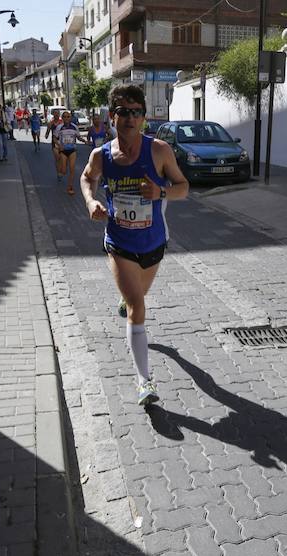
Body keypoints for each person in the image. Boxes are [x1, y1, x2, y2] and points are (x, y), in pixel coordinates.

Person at [79, 85, 189, 405]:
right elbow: (87, 178)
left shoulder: (159, 151)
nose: (129, 118)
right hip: (119, 242)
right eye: (123, 112)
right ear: (112, 117)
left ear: (143, 117)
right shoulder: (101, 156)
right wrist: (90, 202)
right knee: (137, 307)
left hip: (153, 242)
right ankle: (144, 381)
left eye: (136, 112)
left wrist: (161, 192)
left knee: (138, 296)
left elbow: (183, 187)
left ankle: (127, 299)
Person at [53, 111, 85, 194]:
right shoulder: (59, 127)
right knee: (64, 171)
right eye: (65, 117)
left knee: (72, 169)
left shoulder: (74, 127)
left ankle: (70, 187)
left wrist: (85, 141)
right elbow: (54, 138)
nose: (66, 118)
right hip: (63, 151)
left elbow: (78, 137)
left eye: (68, 117)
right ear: (62, 118)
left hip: (72, 150)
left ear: (70, 118)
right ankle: (61, 168)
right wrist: (59, 145)